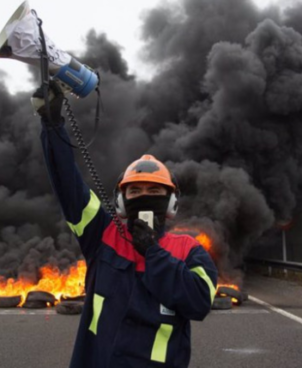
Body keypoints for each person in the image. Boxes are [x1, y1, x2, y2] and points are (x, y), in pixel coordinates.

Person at [35, 82, 218, 368]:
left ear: (171, 202)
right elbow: (67, 185)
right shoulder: (102, 234)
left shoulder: (190, 251)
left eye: (155, 192)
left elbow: (198, 302)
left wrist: (153, 254)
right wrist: (52, 124)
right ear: (121, 201)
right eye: (135, 192)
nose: (144, 197)